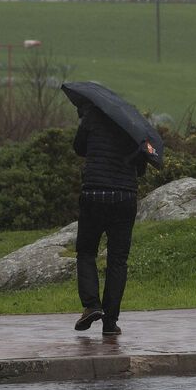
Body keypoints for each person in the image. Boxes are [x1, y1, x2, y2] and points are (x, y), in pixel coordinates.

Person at [72, 103, 147, 336]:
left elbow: (78, 148)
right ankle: (110, 322)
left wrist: (86, 124)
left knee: (86, 252)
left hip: (94, 194)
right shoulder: (134, 127)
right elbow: (142, 169)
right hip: (125, 198)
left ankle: (92, 305)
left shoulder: (92, 119)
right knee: (117, 260)